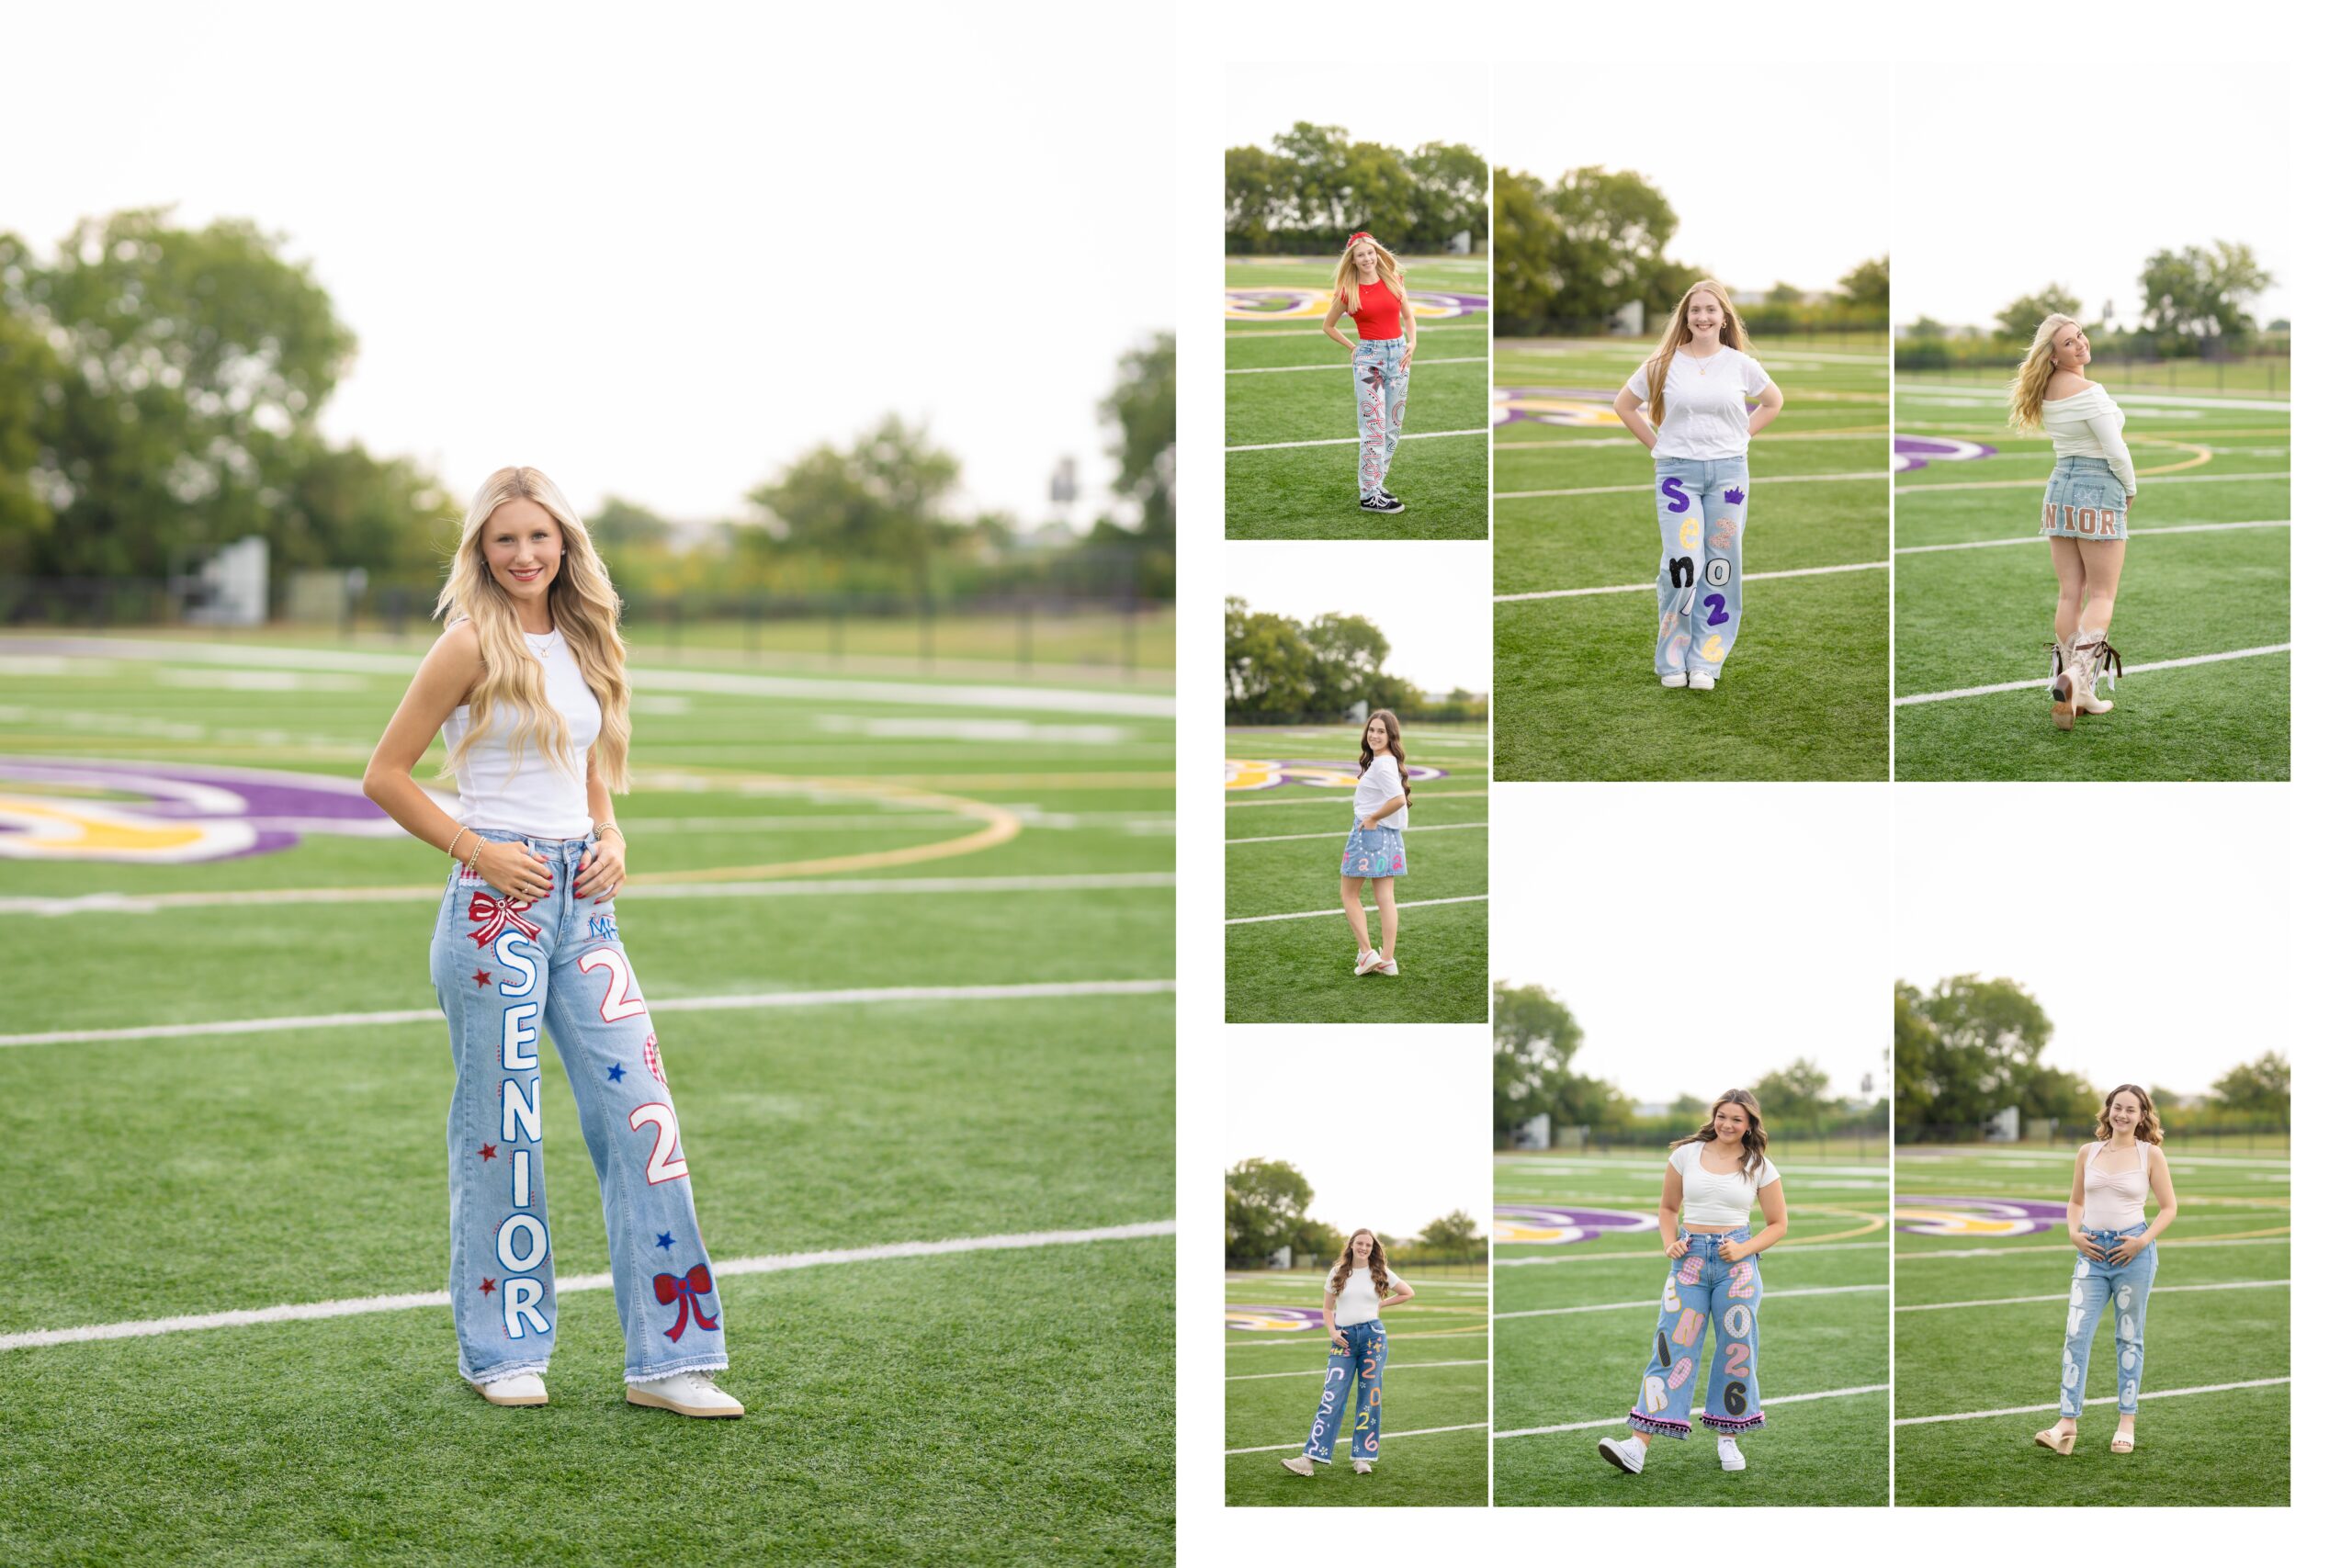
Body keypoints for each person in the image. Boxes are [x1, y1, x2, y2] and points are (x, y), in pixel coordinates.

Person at [362, 465, 743, 1417]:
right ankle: (500, 1351)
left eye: (539, 536)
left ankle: (669, 1361)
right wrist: (478, 849)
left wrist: (611, 834)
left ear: (565, 542)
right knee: (504, 1129)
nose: (524, 554)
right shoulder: (467, 642)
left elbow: (585, 766)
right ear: (481, 551)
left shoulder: (582, 636)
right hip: (497, 907)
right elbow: (385, 774)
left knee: (645, 1119)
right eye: (505, 539)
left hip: (586, 904)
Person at [1598, 1089, 1787, 1475]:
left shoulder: (1760, 1165)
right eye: (1722, 1116)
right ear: (1714, 1117)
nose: (1727, 1124)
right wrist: (1670, 1242)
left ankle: (1728, 1438)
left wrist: (1744, 1248)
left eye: (1737, 1119)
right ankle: (1637, 1445)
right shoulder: (1686, 1155)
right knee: (1670, 1346)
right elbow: (1668, 1208)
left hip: (1737, 1267)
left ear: (1749, 1124)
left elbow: (1778, 1224)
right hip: (1689, 1262)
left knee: (1736, 1349)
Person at [1611, 280, 1784, 691]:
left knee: (1720, 567)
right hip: (1677, 477)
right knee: (1683, 566)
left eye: (1710, 310)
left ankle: (1706, 661)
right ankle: (1673, 658)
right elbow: (1624, 405)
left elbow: (1773, 401)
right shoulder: (1663, 363)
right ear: (1685, 318)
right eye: (1695, 310)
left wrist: (1742, 437)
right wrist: (1657, 446)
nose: (1702, 316)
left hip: (1729, 477)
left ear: (1724, 318)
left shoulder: (1740, 364)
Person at [2035, 1085, 2177, 1455]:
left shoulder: (2151, 1155)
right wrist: (2074, 1234)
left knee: (2129, 1337)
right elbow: (2076, 1201)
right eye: (2118, 1107)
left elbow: (2169, 1208)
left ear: (2142, 1115)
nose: (2123, 1115)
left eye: (2131, 1109)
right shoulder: (2088, 1152)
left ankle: (2126, 1422)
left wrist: (2141, 1242)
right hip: (2092, 1254)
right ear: (2108, 1110)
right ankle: (2066, 1423)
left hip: (2134, 1256)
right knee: (2075, 1334)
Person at [2010, 314, 2132, 728]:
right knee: (2102, 595)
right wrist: (2130, 488)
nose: (2080, 344)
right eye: (2068, 342)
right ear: (2054, 355)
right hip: (2098, 487)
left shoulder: (2045, 391)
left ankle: (2081, 692)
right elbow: (2115, 450)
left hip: (2059, 488)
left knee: (2069, 594)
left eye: (2079, 335)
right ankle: (2077, 678)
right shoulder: (2090, 391)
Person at [1281, 1229, 1418, 1476]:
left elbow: (1408, 1292)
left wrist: (1382, 1303)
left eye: (1368, 1245)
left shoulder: (1380, 1271)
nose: (1364, 1248)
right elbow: (1327, 1308)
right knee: (1332, 1396)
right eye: (1360, 1243)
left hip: (1373, 1339)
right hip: (1343, 1340)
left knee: (1369, 1397)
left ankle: (1362, 1457)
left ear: (1373, 1248)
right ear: (1352, 1245)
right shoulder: (1338, 1272)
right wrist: (1332, 1332)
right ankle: (1309, 1459)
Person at [1319, 231, 1418, 515]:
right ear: (1352, 260)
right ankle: (1368, 495)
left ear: (1377, 253)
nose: (1366, 258)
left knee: (1392, 428)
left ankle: (1377, 483)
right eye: (1360, 255)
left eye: (1370, 252)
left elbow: (1408, 316)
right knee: (1373, 428)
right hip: (1369, 362)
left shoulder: (1394, 280)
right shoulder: (1348, 291)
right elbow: (1328, 325)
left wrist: (1412, 343)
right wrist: (1353, 347)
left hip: (1399, 357)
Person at [1340, 708, 1410, 978]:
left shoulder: (1381, 764)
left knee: (1349, 895)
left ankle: (1367, 953)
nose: (1374, 735)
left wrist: (1371, 818)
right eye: (1371, 730)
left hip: (1370, 832)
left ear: (1391, 735)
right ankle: (1387, 960)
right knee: (1385, 898)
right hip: (1389, 836)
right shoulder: (1388, 761)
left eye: (1381, 731)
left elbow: (1398, 799)